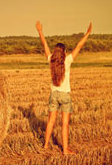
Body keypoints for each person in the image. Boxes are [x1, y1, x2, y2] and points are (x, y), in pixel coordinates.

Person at [35, 20, 92, 155]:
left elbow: (44, 44)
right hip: (65, 96)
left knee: (51, 121)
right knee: (65, 124)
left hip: (53, 94)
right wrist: (87, 34)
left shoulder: (51, 61)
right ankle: (65, 150)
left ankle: (45, 145)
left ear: (55, 53)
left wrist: (40, 31)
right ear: (64, 52)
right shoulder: (67, 61)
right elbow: (79, 46)